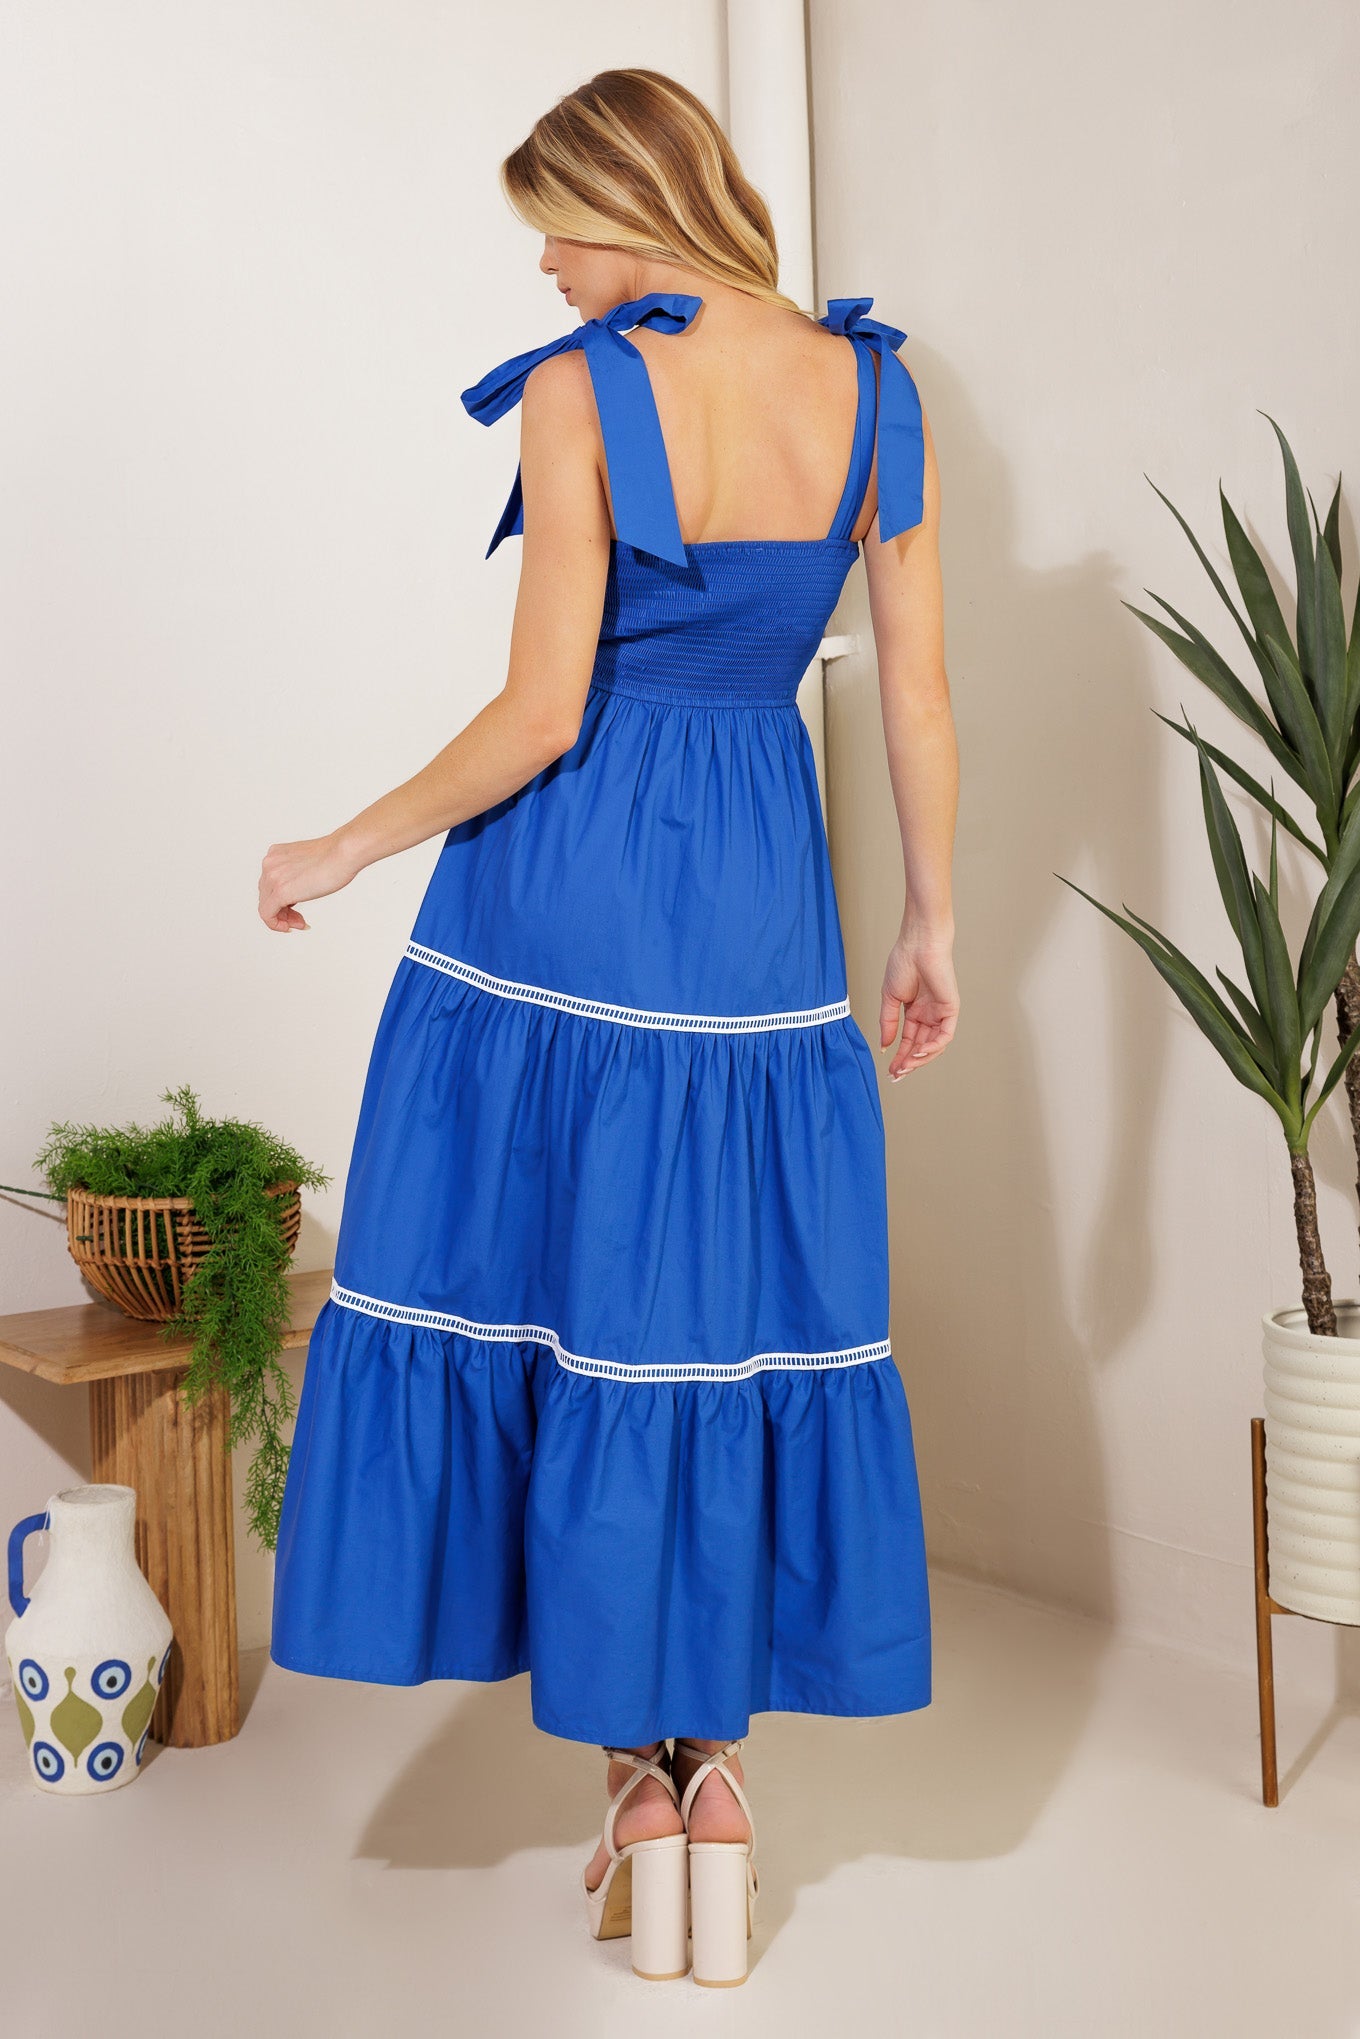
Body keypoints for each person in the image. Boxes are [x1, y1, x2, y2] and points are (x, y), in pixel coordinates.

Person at [259, 66, 958, 1988]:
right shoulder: (873, 391)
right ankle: (708, 1773)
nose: (550, 275)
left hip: (565, 887)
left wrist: (345, 842)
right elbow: (915, 699)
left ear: (626, 205)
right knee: (706, 1313)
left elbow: (542, 713)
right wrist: (930, 921)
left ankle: (636, 1789)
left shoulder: (586, 389)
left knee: (564, 1297)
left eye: (554, 232)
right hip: (756, 897)